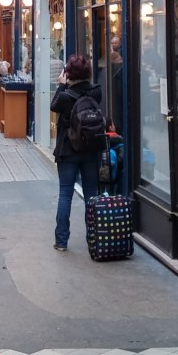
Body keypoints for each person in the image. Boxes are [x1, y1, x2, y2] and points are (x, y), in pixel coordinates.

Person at [50, 54, 103, 252]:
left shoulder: (65, 96)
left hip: (67, 150)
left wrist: (61, 85)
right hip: (90, 147)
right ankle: (94, 238)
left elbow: (53, 106)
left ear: (69, 73)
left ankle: (61, 241)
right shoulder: (96, 92)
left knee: (65, 193)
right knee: (91, 193)